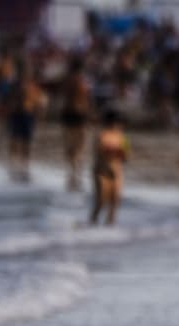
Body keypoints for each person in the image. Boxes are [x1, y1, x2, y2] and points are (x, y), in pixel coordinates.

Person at [6, 63, 46, 183]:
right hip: (17, 115)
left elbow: (39, 101)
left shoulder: (32, 86)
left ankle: (24, 165)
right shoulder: (15, 85)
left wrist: (39, 113)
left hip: (27, 115)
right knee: (15, 140)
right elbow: (9, 100)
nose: (24, 75)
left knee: (26, 142)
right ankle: (14, 164)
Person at [61, 57, 93, 192]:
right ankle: (76, 175)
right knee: (79, 146)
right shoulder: (82, 83)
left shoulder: (67, 82)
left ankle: (72, 173)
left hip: (67, 114)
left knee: (70, 146)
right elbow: (85, 101)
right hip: (79, 115)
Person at [91, 111, 128, 226]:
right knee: (101, 201)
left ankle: (110, 226)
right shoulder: (102, 135)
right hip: (101, 171)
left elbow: (126, 155)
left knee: (115, 200)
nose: (116, 125)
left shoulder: (121, 136)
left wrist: (121, 153)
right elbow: (100, 152)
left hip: (116, 170)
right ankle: (92, 224)